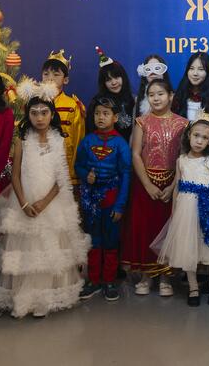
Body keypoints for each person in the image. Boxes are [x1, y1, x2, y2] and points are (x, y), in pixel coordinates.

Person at [0, 80, 90, 318]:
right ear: (28, 115)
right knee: (27, 251)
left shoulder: (59, 140)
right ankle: (24, 297)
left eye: (44, 112)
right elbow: (15, 176)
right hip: (24, 202)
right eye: (34, 113)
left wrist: (45, 202)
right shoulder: (22, 140)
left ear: (51, 114)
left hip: (51, 204)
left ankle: (44, 299)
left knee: (49, 252)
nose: (39, 118)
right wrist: (24, 203)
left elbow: (61, 179)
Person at [121, 80, 187, 296]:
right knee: (145, 228)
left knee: (166, 229)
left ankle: (166, 276)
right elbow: (135, 154)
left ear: (171, 95)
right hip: (145, 183)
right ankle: (146, 276)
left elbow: (184, 157)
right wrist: (148, 184)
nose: (156, 98)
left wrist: (174, 185)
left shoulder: (183, 124)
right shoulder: (142, 122)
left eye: (160, 94)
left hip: (172, 183)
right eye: (151, 94)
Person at [156, 114, 209, 307]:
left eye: (205, 138)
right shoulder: (181, 160)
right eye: (196, 135)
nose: (199, 141)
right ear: (189, 135)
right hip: (186, 210)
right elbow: (177, 188)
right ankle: (193, 286)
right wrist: (174, 213)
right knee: (188, 248)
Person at [75, 97, 132, 301]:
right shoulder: (87, 141)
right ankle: (93, 281)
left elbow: (126, 174)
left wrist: (120, 205)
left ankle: (109, 280)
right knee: (93, 240)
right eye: (97, 113)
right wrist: (85, 175)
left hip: (111, 198)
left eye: (106, 114)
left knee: (110, 240)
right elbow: (78, 165)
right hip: (91, 200)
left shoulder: (120, 144)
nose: (101, 117)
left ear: (115, 118)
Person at [41, 50, 86, 187]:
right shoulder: (34, 103)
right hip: (40, 167)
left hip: (66, 168)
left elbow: (78, 141)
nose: (50, 78)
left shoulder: (73, 105)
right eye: (46, 74)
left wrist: (74, 174)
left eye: (56, 74)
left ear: (65, 80)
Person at [87, 47, 136, 142]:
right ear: (103, 83)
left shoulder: (133, 100)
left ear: (123, 77)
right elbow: (91, 130)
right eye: (108, 80)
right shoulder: (98, 102)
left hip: (128, 147)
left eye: (116, 77)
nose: (114, 82)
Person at [171, 52, 209, 120]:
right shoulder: (180, 94)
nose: (195, 73)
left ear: (208, 72)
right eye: (191, 68)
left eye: (201, 69)